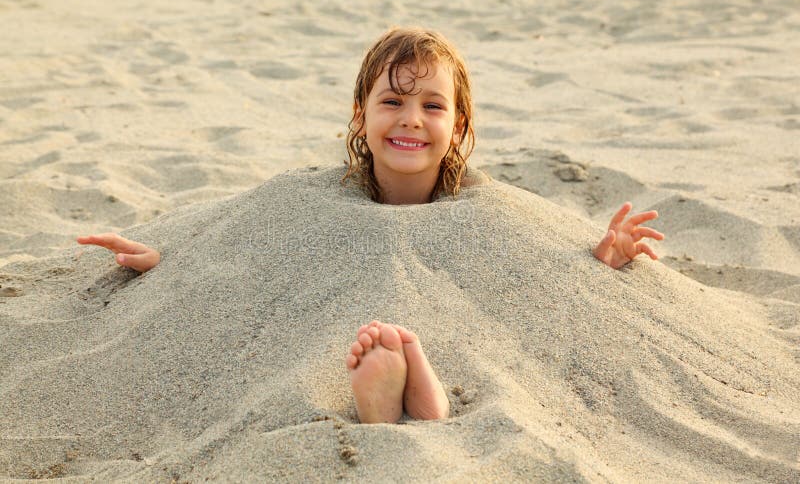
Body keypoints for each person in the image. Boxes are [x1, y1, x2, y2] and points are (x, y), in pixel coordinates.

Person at [77, 27, 664, 424]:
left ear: (458, 127)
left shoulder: (494, 209)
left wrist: (601, 259)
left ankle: (420, 402)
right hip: (341, 317)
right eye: (392, 102)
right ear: (360, 115)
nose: (411, 119)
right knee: (360, 318)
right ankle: (402, 404)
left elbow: (531, 270)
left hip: (458, 319)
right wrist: (167, 260)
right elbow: (247, 241)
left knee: (459, 323)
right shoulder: (307, 197)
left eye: (433, 106)